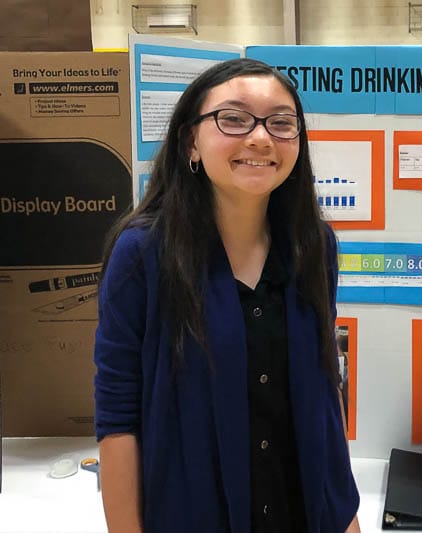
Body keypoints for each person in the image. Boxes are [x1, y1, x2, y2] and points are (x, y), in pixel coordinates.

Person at [93, 58, 360, 533]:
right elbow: (118, 418)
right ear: (190, 142)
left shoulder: (313, 246)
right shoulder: (144, 254)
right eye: (233, 119)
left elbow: (324, 383)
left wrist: (344, 514)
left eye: (281, 123)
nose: (260, 137)